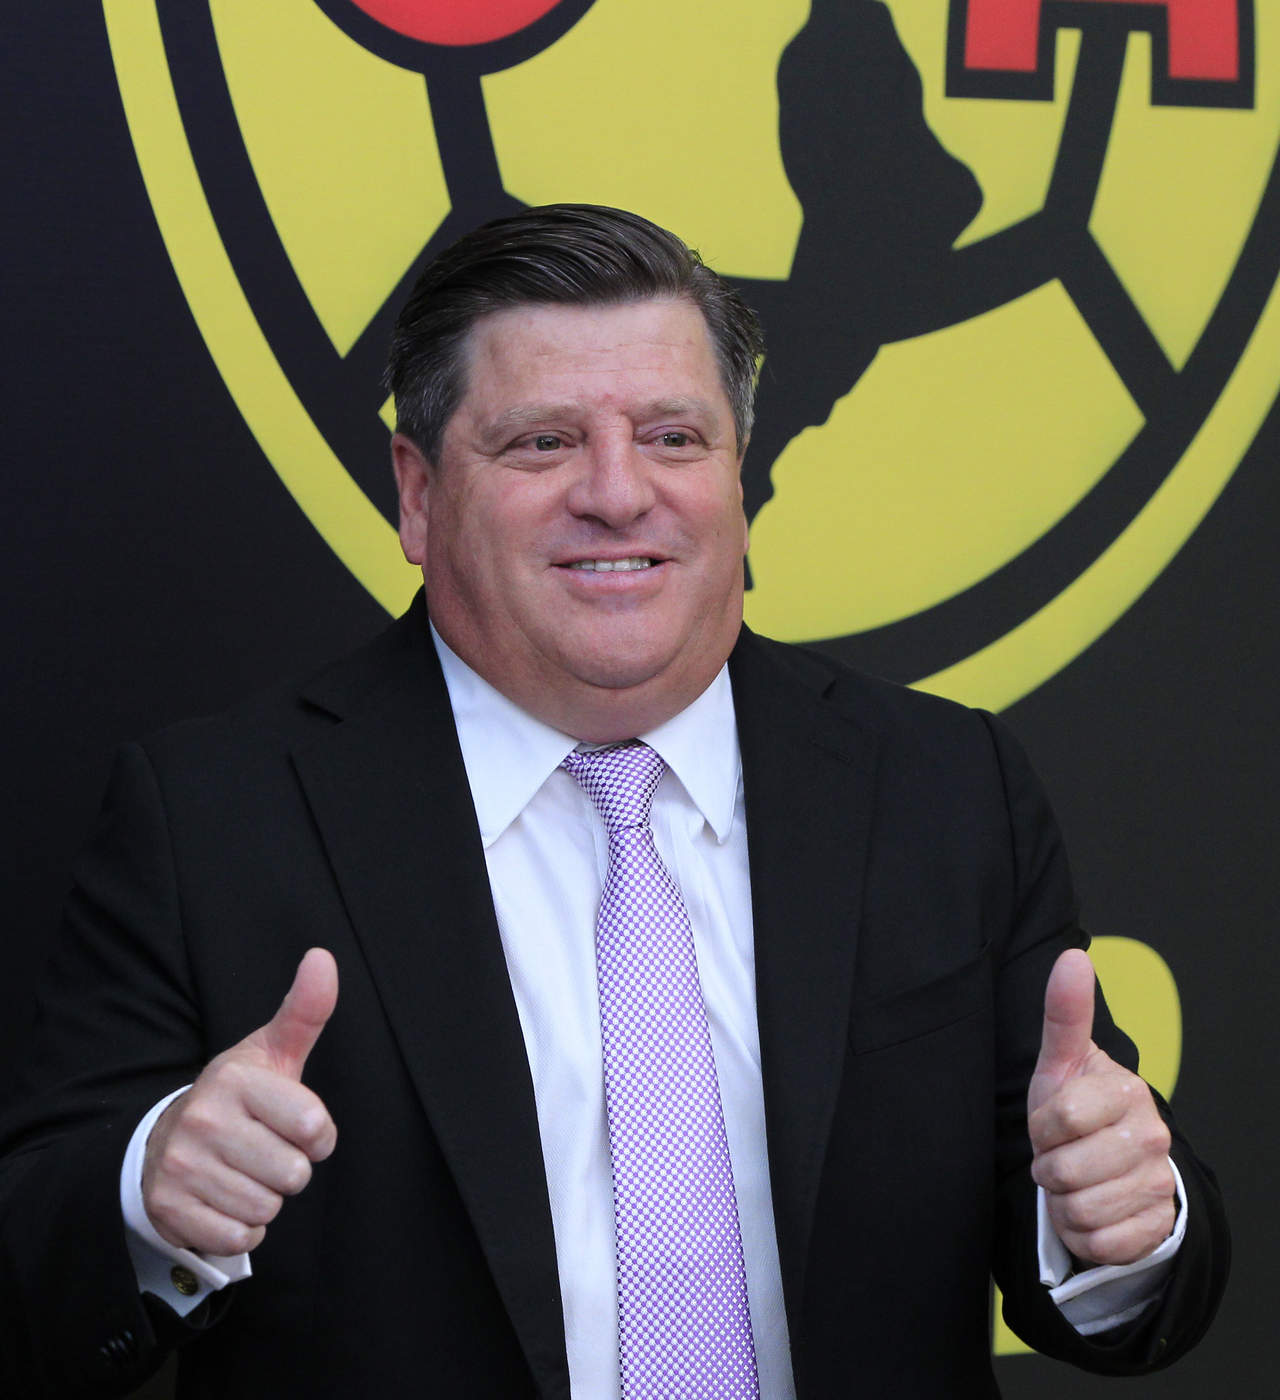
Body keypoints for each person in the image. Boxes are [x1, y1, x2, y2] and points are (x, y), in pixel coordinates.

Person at [0, 205, 1227, 1399]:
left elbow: (1110, 1230)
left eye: (672, 437)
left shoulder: (944, 786)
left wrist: (1119, 1222)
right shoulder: (213, 815)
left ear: (737, 474)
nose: (616, 491)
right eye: (541, 442)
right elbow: (33, 1276)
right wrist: (151, 1197)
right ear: (417, 495)